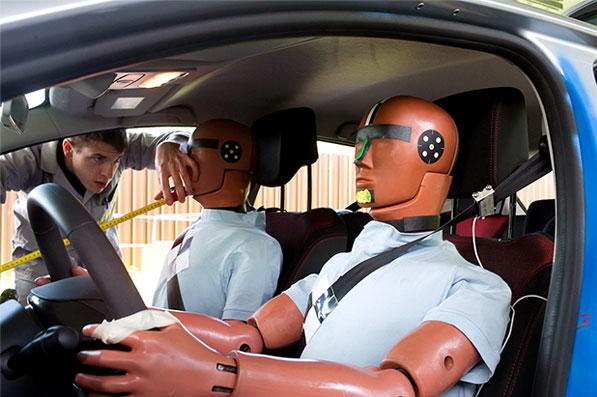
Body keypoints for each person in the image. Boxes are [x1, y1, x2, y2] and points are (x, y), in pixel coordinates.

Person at [74, 97, 512, 397]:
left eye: (380, 141)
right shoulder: (342, 264)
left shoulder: (478, 288)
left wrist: (218, 376)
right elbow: (244, 335)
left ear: (430, 156)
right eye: (359, 143)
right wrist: (144, 318)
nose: (360, 158)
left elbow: (391, 388)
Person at [0, 128, 195, 305]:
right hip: (39, 266)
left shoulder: (122, 148)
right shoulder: (30, 157)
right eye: (98, 158)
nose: (109, 173)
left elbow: (184, 139)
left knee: (114, 329)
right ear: (68, 147)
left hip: (100, 262)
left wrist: (170, 145)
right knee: (37, 334)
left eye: (116, 161)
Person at [152, 119, 283, 320]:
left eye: (191, 152)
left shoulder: (256, 247)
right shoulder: (193, 230)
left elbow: (235, 339)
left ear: (231, 154)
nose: (184, 162)